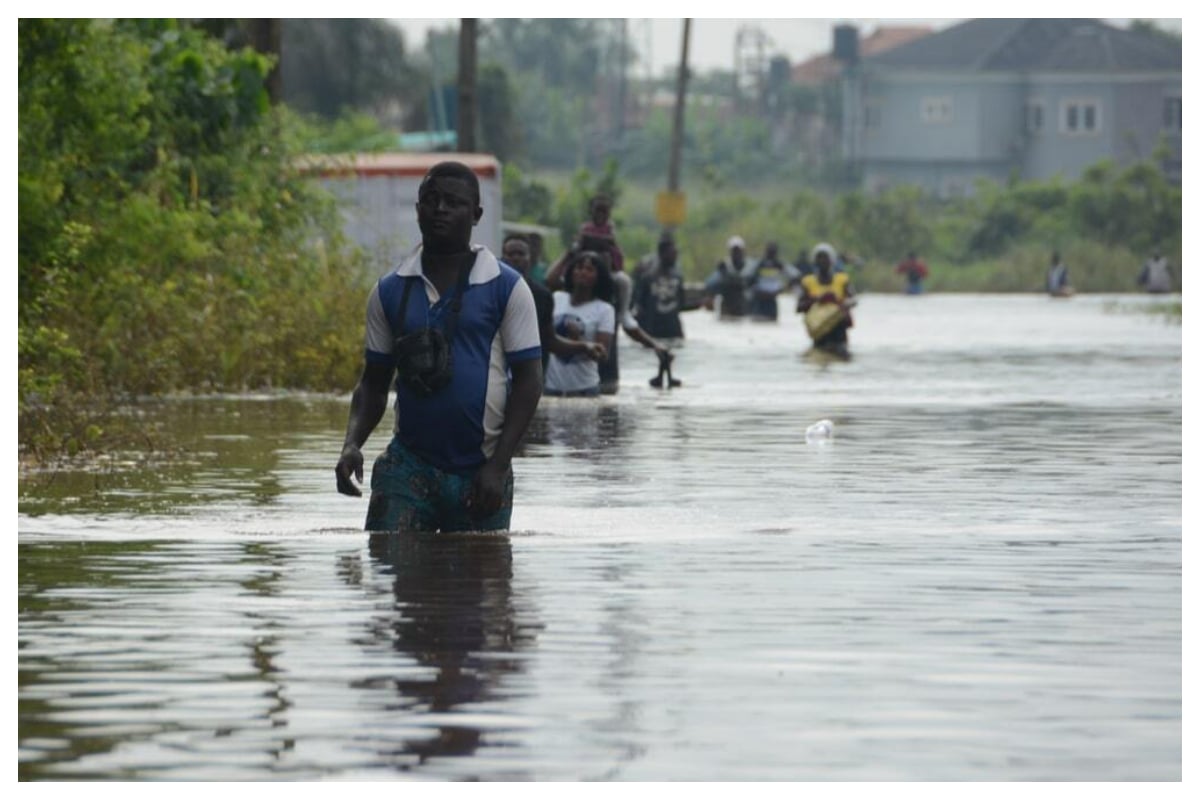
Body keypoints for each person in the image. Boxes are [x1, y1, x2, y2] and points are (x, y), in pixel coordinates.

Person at [334, 161, 543, 534]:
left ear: (476, 214)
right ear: (418, 210)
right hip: (408, 467)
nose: (440, 209)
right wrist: (352, 444)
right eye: (431, 200)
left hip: (482, 470)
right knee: (388, 570)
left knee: (481, 583)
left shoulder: (507, 287)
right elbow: (373, 384)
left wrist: (498, 465)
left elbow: (529, 381)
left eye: (453, 202)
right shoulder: (390, 291)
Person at [502, 234, 607, 372]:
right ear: (502, 257)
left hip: (530, 373)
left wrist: (584, 346)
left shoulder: (542, 296)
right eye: (510, 254)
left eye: (521, 254)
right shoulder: (490, 291)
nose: (515, 258)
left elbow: (550, 340)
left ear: (530, 258)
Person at [543, 251, 616, 397]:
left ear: (598, 277)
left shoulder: (604, 309)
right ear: (571, 272)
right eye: (579, 267)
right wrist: (568, 254)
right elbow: (549, 280)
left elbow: (602, 355)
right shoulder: (557, 298)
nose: (582, 272)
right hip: (552, 388)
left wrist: (579, 339)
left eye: (589, 270)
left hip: (585, 389)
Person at [797, 242, 857, 358]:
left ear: (832, 260)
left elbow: (854, 300)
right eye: (819, 258)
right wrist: (817, 300)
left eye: (825, 258)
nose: (822, 261)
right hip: (820, 333)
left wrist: (839, 302)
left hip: (839, 331)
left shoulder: (842, 280)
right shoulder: (808, 282)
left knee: (841, 355)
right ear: (815, 261)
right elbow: (799, 307)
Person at [632, 231, 686, 340]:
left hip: (673, 331)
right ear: (662, 254)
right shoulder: (647, 278)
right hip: (651, 331)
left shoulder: (677, 278)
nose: (675, 256)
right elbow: (638, 304)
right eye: (672, 253)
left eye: (676, 253)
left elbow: (681, 303)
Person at [745, 241, 799, 321]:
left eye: (773, 252)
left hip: (771, 300)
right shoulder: (759, 264)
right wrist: (755, 290)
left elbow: (795, 277)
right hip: (759, 300)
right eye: (769, 252)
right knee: (756, 322)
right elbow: (747, 278)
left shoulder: (779, 265)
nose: (771, 255)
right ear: (766, 252)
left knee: (771, 322)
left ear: (776, 253)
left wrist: (782, 290)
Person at [704, 235, 750, 319]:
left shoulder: (748, 266)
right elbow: (711, 283)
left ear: (743, 251)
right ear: (730, 251)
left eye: (738, 250)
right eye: (734, 250)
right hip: (727, 306)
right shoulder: (723, 266)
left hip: (742, 306)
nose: (736, 253)